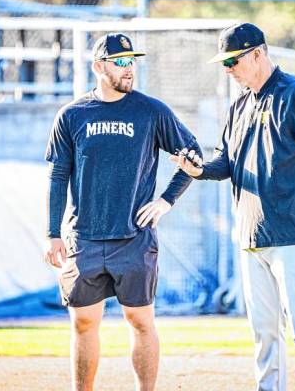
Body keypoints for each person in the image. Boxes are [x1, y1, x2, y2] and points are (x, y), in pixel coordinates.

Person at [172, 23, 295, 391]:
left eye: (233, 61)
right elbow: (226, 161)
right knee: (265, 333)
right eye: (224, 63)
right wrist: (199, 169)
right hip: (251, 235)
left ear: (258, 53)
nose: (228, 69)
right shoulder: (238, 106)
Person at [44, 32, 201, 391]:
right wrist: (52, 233)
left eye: (132, 62)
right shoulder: (72, 115)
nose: (129, 69)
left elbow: (192, 157)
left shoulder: (151, 111)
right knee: (83, 323)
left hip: (134, 238)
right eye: (120, 63)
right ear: (99, 67)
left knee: (140, 321)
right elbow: (57, 175)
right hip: (83, 238)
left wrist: (166, 200)